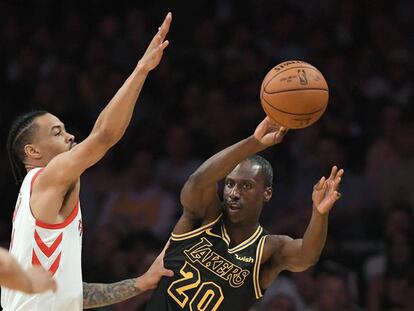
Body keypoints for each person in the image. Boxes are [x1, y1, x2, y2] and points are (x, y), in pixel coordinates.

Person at [2, 12, 173, 311]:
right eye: (57, 132)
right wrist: (141, 70)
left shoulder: (41, 200)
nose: (70, 137)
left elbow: (69, 292)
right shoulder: (46, 177)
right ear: (33, 152)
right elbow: (104, 136)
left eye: (66, 130)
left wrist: (142, 283)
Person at [146, 117, 344, 311]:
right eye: (230, 184)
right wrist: (254, 142)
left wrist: (319, 214)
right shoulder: (203, 216)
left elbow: (307, 256)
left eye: (246, 186)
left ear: (267, 193)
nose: (234, 193)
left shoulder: (269, 248)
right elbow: (196, 182)